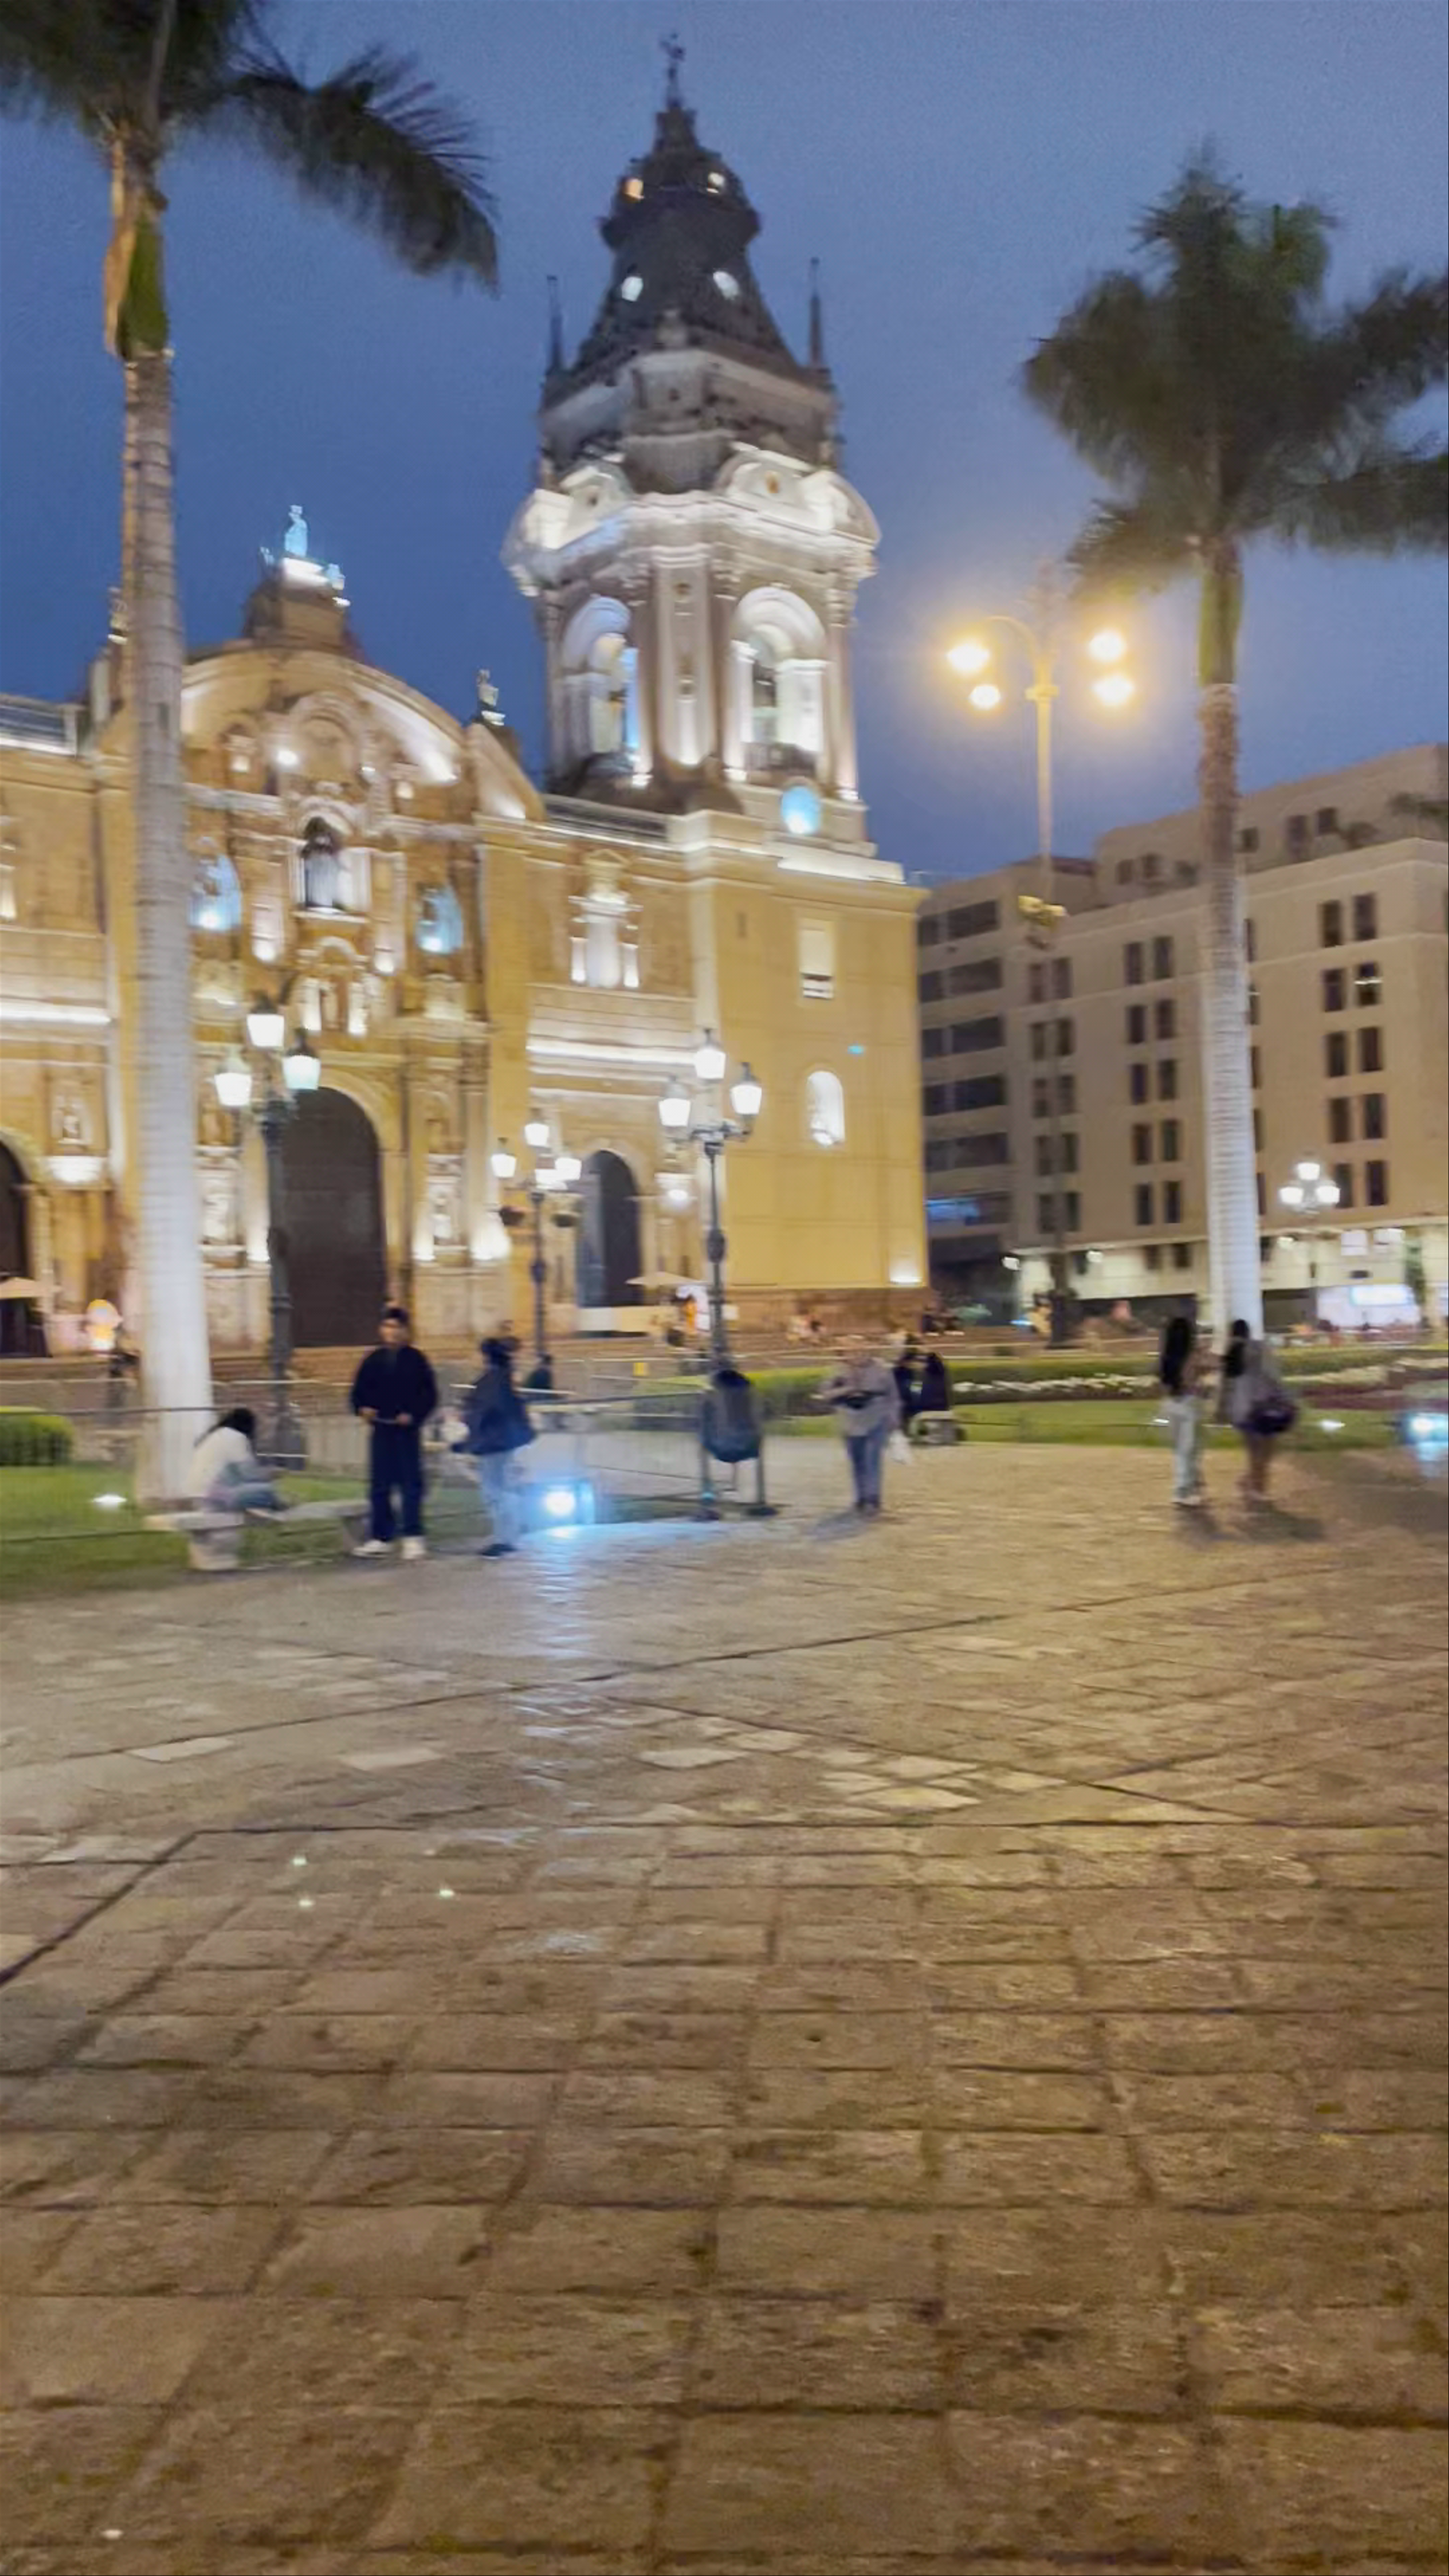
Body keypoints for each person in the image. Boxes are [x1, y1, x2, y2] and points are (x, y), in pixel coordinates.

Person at [350, 1306, 438, 1559]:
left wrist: (413, 1414)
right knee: (380, 1485)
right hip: (381, 1429)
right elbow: (358, 1392)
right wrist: (362, 1408)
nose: (392, 1332)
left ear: (405, 1331)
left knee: (411, 1484)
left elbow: (429, 1395)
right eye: (387, 1327)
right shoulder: (373, 1359)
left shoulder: (417, 1359)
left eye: (396, 1327)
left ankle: (413, 1535)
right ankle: (381, 1536)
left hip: (407, 1432)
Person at [462, 1335, 536, 1557]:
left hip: (493, 1442)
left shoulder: (491, 1382)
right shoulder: (502, 1378)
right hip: (501, 1441)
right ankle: (508, 1536)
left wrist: (471, 1430)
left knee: (495, 1490)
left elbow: (484, 1411)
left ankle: (505, 1539)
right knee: (500, 1487)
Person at [1218, 1316, 1296, 1506]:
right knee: (1266, 1451)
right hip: (1262, 1406)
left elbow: (1225, 1386)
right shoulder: (1260, 1349)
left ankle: (1251, 1483)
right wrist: (1287, 1399)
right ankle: (1257, 1487)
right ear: (1249, 1332)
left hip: (1241, 1409)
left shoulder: (1231, 1354)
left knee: (1253, 1451)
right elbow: (1273, 1377)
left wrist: (1222, 1409)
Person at [818, 1336, 900, 1516]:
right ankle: (861, 1496)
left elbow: (893, 1396)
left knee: (873, 1458)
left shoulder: (882, 1369)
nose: (856, 1354)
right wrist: (846, 1389)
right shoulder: (837, 1370)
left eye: (860, 1349)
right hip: (850, 1422)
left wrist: (893, 1418)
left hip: (876, 1418)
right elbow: (825, 1394)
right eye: (851, 1350)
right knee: (857, 1461)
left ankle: (873, 1497)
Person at [188, 1408, 282, 1514]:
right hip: (217, 1497)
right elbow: (249, 1474)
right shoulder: (237, 1438)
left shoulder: (214, 1435)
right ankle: (280, 1510)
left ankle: (276, 1507)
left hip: (197, 1495)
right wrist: (270, 1474)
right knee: (267, 1491)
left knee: (257, 1491)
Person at [1159, 1316, 1205, 1507]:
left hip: (1171, 1404)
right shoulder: (1192, 1355)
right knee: (1190, 1451)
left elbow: (1164, 1383)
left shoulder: (1167, 1356)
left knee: (1181, 1451)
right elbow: (1191, 1380)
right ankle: (1184, 1490)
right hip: (1189, 1404)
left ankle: (1190, 1487)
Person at [918, 1347, 952, 1419]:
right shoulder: (943, 1372)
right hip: (942, 1407)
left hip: (927, 1408)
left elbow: (916, 1391)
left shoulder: (923, 1374)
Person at [892, 1338, 920, 1423]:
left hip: (910, 1403)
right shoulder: (897, 1371)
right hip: (901, 1402)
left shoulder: (916, 1374)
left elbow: (917, 1391)